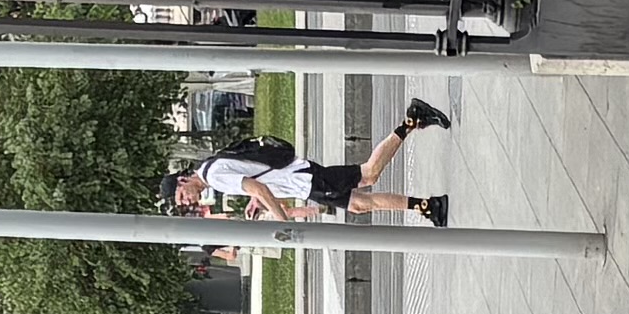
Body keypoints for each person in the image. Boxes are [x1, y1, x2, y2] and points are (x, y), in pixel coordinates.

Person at [176, 100, 453, 226]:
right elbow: (254, 178)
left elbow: (259, 189)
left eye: (181, 196)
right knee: (358, 205)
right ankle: (427, 207)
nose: (188, 201)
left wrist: (283, 221)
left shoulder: (213, 178)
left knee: (368, 174)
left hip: (303, 180)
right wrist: (256, 200)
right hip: (301, 180)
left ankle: (413, 119)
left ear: (182, 180)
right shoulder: (210, 166)